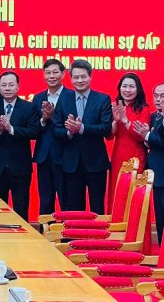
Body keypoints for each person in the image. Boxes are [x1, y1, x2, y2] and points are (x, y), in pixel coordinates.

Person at [52, 59, 112, 214]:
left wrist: (83, 128)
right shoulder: (64, 99)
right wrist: (69, 132)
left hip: (95, 162)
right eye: (76, 77)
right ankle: (74, 238)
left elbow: (106, 128)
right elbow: (56, 129)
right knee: (73, 209)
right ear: (71, 79)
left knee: (97, 208)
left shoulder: (102, 99)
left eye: (83, 77)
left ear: (90, 77)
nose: (80, 80)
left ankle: (98, 239)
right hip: (71, 164)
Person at [0, 71, 40, 219]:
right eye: (4, 85)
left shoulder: (29, 107)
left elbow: (34, 132)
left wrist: (11, 129)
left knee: (21, 209)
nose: (7, 88)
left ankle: (23, 241)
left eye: (11, 84)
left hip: (20, 167)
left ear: (18, 86)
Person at [137, 83, 164, 243]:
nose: (158, 99)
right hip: (156, 172)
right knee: (160, 217)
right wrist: (147, 140)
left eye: (163, 96)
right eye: (156, 95)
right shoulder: (154, 115)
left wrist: (147, 136)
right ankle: (163, 252)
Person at [106, 73, 150, 211]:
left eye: (132, 86)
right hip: (118, 156)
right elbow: (109, 136)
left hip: (136, 157)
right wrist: (115, 120)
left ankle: (135, 232)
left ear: (138, 89)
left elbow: (140, 136)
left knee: (133, 198)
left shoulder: (143, 109)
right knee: (117, 195)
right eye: (124, 86)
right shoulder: (115, 107)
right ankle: (116, 230)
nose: (127, 90)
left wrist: (125, 121)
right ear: (119, 89)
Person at [33, 59, 69, 215]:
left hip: (64, 154)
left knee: (66, 199)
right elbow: (34, 127)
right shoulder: (38, 98)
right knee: (46, 200)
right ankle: (44, 235)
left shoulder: (71, 96)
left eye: (55, 72)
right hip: (44, 156)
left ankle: (66, 237)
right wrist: (43, 119)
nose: (51, 76)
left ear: (63, 74)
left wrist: (54, 116)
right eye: (48, 73)